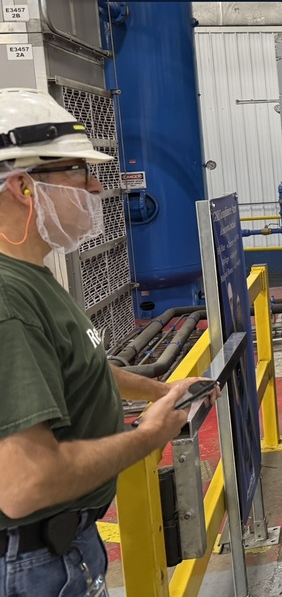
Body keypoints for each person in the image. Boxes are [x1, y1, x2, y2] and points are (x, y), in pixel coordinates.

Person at [0, 88, 215, 595]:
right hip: (33, 563)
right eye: (79, 171)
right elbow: (26, 483)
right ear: (22, 186)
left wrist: (160, 392)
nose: (96, 188)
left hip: (62, 546)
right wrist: (147, 437)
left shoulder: (31, 274)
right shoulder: (8, 299)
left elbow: (76, 364)